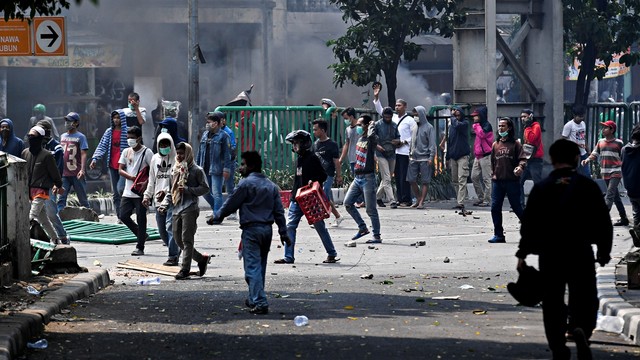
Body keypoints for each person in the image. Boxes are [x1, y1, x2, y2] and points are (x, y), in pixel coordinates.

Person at [517, 138, 612, 360]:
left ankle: (558, 345)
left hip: (551, 254)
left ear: (552, 159)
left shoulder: (542, 188)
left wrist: (523, 253)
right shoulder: (588, 187)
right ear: (577, 159)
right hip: (580, 251)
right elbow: (602, 222)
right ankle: (580, 328)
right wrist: (604, 251)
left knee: (552, 300)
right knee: (584, 295)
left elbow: (529, 224)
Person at [212, 151, 289, 314]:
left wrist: (217, 216)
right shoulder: (270, 185)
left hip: (251, 231)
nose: (240, 168)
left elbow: (231, 203)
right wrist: (283, 232)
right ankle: (254, 297)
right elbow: (279, 212)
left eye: (243, 164)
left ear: (251, 166)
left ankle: (260, 302)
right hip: (267, 231)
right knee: (260, 267)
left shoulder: (245, 184)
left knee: (252, 268)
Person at [273, 130, 339, 264]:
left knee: (320, 226)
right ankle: (288, 257)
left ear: (304, 143)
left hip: (310, 200)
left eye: (297, 143)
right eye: (294, 143)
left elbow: (323, 176)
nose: (295, 146)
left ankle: (331, 253)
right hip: (296, 199)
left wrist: (313, 181)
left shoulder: (313, 158)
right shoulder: (299, 159)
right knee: (290, 226)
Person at [158, 142, 211, 280]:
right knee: (177, 239)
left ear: (188, 153)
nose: (180, 156)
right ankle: (201, 259)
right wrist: (164, 204)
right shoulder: (174, 170)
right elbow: (171, 191)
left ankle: (185, 269)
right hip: (176, 208)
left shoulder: (196, 170)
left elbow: (205, 188)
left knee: (187, 240)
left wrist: (188, 190)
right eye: (178, 153)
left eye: (182, 153)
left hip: (190, 207)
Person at [22, 126, 64, 244]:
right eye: (29, 136)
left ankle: (22, 242)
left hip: (41, 190)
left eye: (33, 136)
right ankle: (55, 239)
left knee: (31, 216)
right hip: (29, 191)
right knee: (44, 220)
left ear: (40, 138)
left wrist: (58, 184)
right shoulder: (25, 153)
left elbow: (54, 172)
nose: (30, 138)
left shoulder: (47, 155)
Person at [343, 115, 382, 244]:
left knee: (371, 209)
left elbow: (372, 137)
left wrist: (371, 125)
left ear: (366, 126)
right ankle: (362, 228)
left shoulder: (372, 139)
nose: (358, 127)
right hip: (358, 177)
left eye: (360, 124)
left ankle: (376, 236)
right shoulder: (360, 138)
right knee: (348, 203)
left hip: (368, 178)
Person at [582, 120, 629, 226]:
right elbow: (594, 153)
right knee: (615, 196)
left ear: (612, 130)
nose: (603, 130)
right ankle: (624, 218)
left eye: (606, 128)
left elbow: (624, 157)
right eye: (603, 128)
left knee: (609, 195)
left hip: (616, 171)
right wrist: (587, 160)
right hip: (605, 172)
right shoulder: (600, 142)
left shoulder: (619, 143)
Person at [143, 133, 180, 266]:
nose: (164, 147)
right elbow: (152, 180)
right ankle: (176, 248)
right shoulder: (154, 159)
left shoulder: (177, 159)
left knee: (170, 227)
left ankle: (173, 256)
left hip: (172, 199)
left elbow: (177, 182)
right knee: (162, 231)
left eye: (166, 144)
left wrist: (167, 194)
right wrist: (147, 195)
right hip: (158, 201)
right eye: (161, 145)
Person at [488, 117, 527, 243]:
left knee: (517, 207)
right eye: (499, 126)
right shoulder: (495, 145)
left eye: (503, 126)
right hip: (498, 181)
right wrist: (493, 173)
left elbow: (523, 159)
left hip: (512, 181)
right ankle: (498, 235)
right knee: (495, 208)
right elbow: (493, 161)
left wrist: (520, 167)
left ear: (509, 128)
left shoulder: (516, 144)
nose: (500, 128)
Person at [119, 126, 153, 256]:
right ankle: (141, 234)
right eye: (128, 138)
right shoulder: (126, 151)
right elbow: (120, 169)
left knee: (141, 218)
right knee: (123, 215)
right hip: (128, 191)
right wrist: (131, 177)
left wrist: (146, 183)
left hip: (141, 192)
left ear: (139, 138)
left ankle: (140, 246)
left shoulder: (147, 152)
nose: (129, 140)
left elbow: (153, 170)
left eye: (132, 138)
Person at [90, 110, 129, 221]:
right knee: (115, 193)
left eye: (118, 117)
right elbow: (102, 146)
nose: (116, 120)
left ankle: (126, 211)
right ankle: (120, 216)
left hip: (124, 166)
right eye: (114, 118)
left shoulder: (127, 131)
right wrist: (95, 159)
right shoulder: (109, 132)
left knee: (121, 188)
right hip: (112, 165)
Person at [37, 120, 70, 244]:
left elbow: (59, 168)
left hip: (50, 184)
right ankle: (51, 237)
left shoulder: (56, 147)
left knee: (51, 212)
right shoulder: (38, 146)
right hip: (38, 184)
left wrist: (57, 184)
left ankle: (63, 236)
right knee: (39, 213)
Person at [197, 112, 233, 219]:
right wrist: (197, 166)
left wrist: (226, 169)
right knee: (205, 192)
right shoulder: (204, 135)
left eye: (209, 122)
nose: (207, 124)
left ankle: (217, 215)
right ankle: (216, 209)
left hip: (217, 169)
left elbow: (227, 154)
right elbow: (200, 152)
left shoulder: (223, 136)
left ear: (216, 123)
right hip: (204, 168)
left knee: (217, 193)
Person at [311, 119, 344, 227]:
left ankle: (319, 219)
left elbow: (336, 161)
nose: (314, 132)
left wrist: (339, 176)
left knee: (323, 196)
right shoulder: (315, 144)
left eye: (316, 130)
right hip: (318, 176)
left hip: (328, 175)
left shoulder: (332, 144)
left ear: (323, 130)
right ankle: (337, 216)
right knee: (324, 197)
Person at [57, 112, 90, 211]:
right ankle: (60, 221)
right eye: (66, 121)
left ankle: (89, 218)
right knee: (61, 199)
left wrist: (82, 170)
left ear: (76, 123)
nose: (67, 123)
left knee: (83, 199)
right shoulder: (62, 136)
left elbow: (83, 153)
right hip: (64, 173)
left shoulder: (81, 137)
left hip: (76, 172)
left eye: (69, 121)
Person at [407, 106, 436, 209]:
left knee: (425, 181)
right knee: (411, 179)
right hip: (414, 158)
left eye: (417, 115)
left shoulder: (429, 127)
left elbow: (432, 144)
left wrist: (431, 157)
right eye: (414, 115)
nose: (415, 117)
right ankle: (418, 198)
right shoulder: (414, 127)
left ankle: (421, 201)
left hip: (425, 158)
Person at [444, 106, 471, 210]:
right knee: (455, 180)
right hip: (454, 156)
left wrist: (452, 116)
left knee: (461, 179)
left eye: (458, 113)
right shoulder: (452, 127)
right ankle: (459, 199)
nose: (456, 116)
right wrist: (447, 157)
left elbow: (457, 125)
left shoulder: (464, 123)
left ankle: (461, 202)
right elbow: (450, 142)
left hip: (462, 156)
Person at [374, 106, 400, 208]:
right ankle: (392, 200)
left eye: (389, 117)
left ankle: (377, 197)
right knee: (387, 178)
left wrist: (397, 141)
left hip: (391, 153)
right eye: (386, 117)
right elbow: (372, 138)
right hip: (381, 154)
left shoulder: (394, 125)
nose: (388, 119)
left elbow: (398, 137)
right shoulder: (377, 125)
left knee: (387, 177)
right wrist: (377, 146)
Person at [519, 109, 544, 208]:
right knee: (519, 181)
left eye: (525, 116)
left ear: (530, 116)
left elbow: (532, 140)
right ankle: (520, 204)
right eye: (522, 117)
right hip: (527, 159)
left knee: (537, 182)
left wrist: (528, 126)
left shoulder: (535, 126)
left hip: (535, 160)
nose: (523, 119)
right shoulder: (526, 127)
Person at [470, 106, 493, 207]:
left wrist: (476, 126)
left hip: (485, 156)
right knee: (474, 177)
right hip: (478, 155)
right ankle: (481, 197)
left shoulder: (486, 126)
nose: (474, 118)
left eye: (476, 116)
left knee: (486, 178)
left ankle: (487, 200)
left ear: (480, 116)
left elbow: (482, 135)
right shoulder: (479, 125)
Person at [622, 128, 640, 245]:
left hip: (630, 187)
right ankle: (638, 230)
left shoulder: (624, 149)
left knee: (636, 211)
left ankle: (637, 232)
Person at [562, 104, 590, 177]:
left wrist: (588, 150)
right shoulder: (569, 125)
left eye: (582, 116)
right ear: (574, 115)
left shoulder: (583, 124)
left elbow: (584, 138)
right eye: (579, 116)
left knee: (587, 173)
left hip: (583, 152)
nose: (581, 118)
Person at [220, 112, 238, 221]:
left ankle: (233, 211)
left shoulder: (228, 132)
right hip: (220, 163)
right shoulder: (216, 132)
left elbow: (233, 146)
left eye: (221, 119)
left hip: (229, 163)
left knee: (230, 186)